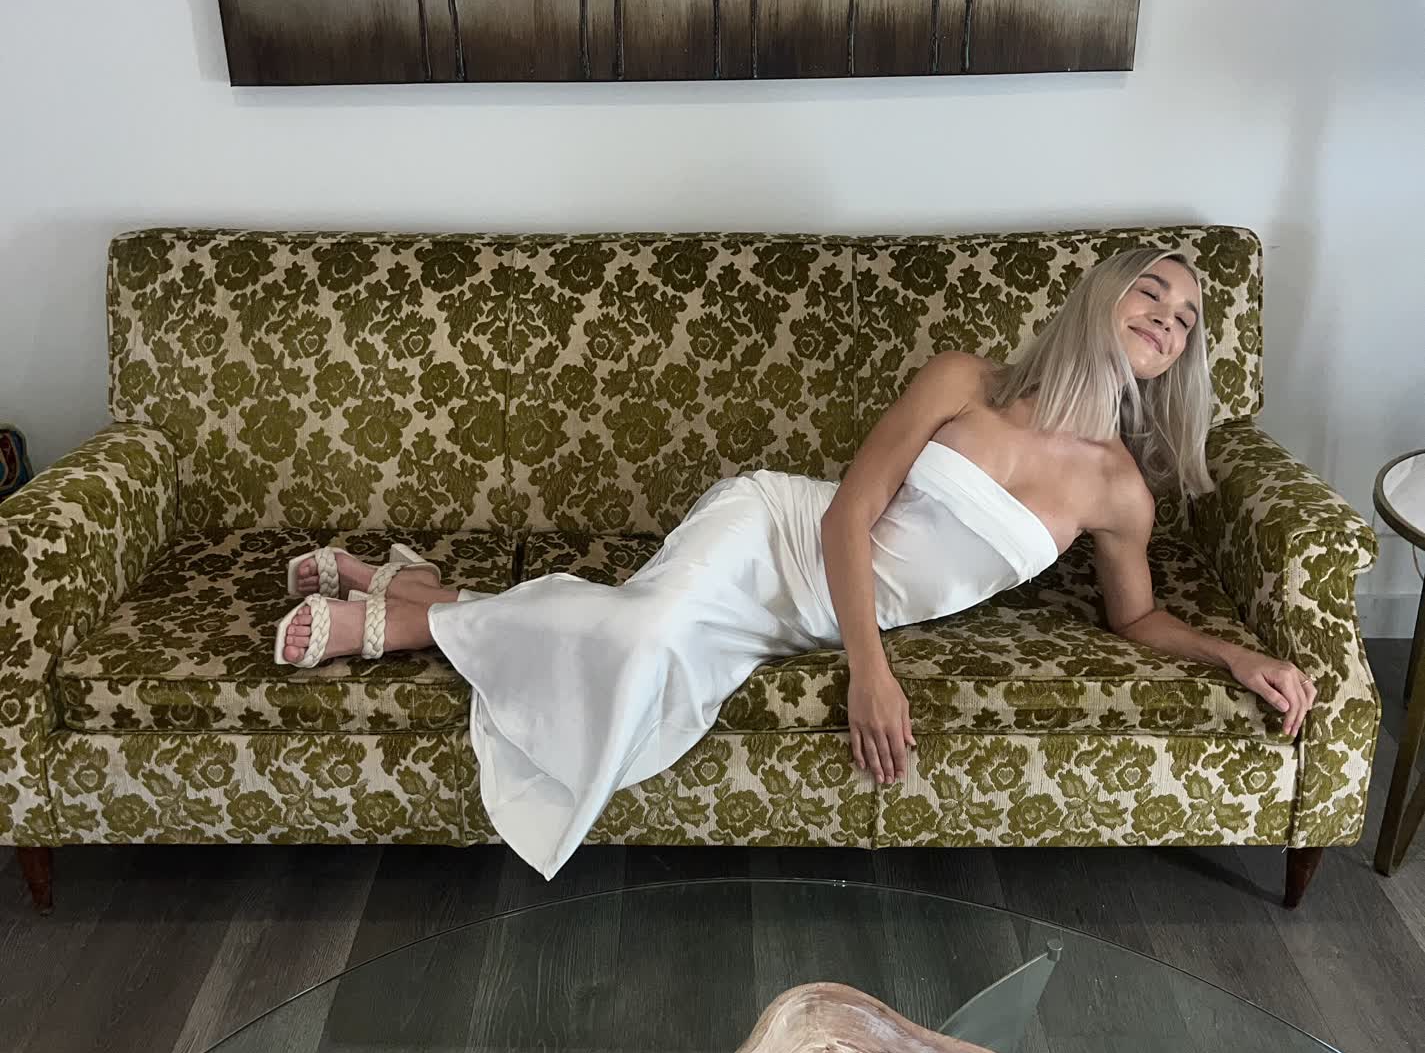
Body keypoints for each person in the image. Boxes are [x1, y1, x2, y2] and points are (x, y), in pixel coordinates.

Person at [272, 246, 1317, 878]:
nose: (1167, 320)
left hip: (811, 611)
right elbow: (850, 511)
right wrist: (871, 669)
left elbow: (1136, 619)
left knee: (634, 635)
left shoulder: (1119, 491)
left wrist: (1233, 654)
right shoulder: (967, 380)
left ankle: (423, 591)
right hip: (781, 530)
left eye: (1186, 321)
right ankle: (412, 620)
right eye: (1151, 293)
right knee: (645, 636)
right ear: (1101, 296)